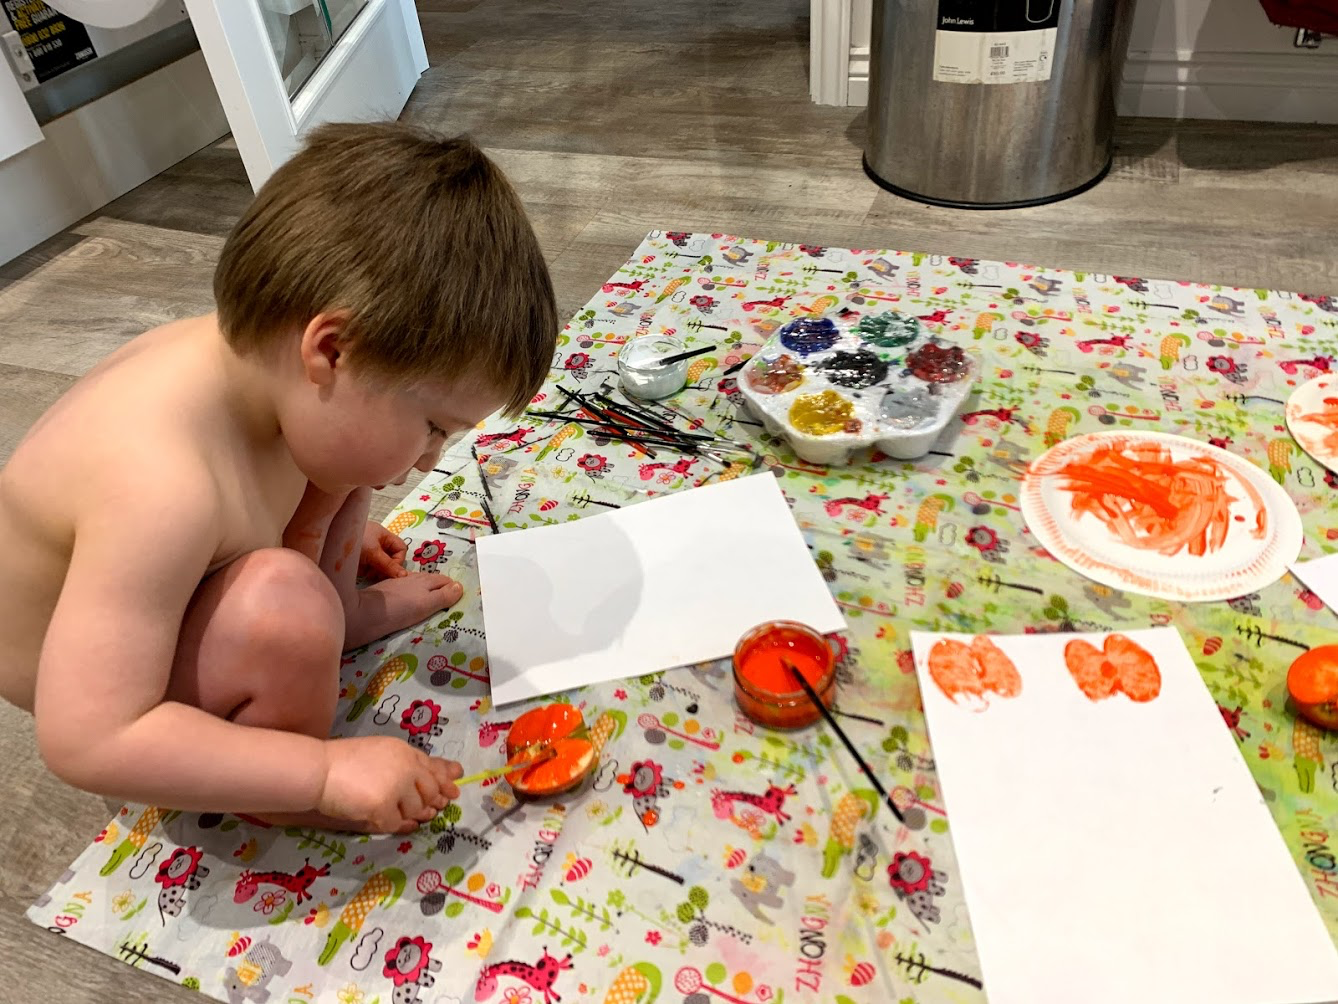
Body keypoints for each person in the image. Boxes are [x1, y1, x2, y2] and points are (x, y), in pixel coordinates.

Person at [0, 123, 557, 834]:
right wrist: (322, 774)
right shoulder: (158, 487)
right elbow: (88, 739)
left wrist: (335, 557)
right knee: (287, 604)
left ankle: (339, 618)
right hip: (107, 695)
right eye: (433, 426)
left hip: (167, 596)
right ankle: (278, 795)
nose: (430, 459)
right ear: (332, 348)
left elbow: (319, 452)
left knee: (350, 453)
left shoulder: (271, 373)